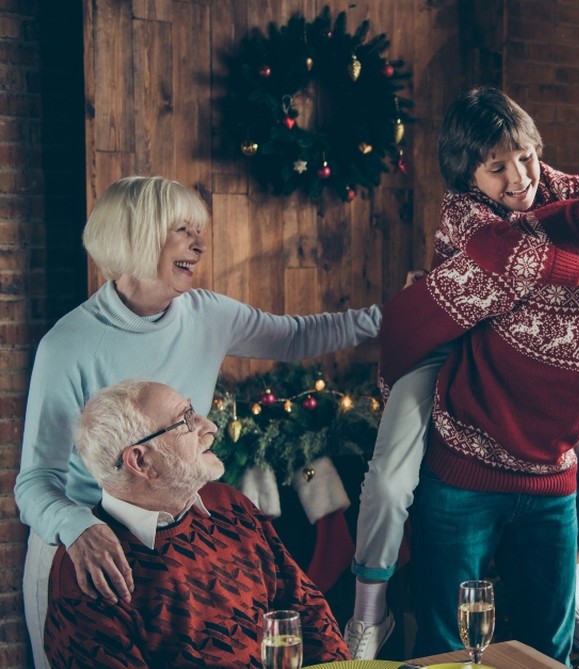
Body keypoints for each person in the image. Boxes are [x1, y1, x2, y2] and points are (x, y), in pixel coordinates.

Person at [346, 87, 579, 662]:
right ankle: (366, 614)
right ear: (467, 174)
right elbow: (511, 254)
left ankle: (577, 590)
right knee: (390, 479)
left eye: (525, 157)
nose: (519, 176)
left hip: (548, 464)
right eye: (496, 168)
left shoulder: (563, 190)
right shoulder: (470, 216)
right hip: (432, 342)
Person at [16, 176, 381, 669]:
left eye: (199, 231)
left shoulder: (207, 314)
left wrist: (398, 315)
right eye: (182, 230)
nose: (200, 244)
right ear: (136, 234)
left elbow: (299, 337)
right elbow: (36, 482)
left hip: (180, 532)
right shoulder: (68, 345)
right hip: (88, 548)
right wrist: (78, 529)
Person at [44, 380, 349, 667]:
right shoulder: (88, 574)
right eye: (186, 420)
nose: (211, 427)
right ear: (141, 462)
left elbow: (306, 608)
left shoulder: (229, 504)